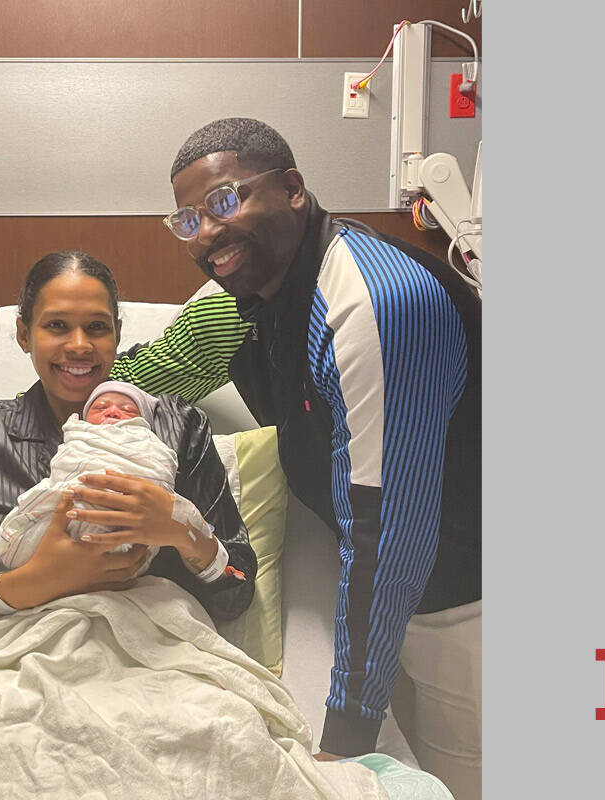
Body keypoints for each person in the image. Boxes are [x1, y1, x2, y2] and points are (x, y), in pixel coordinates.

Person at [103, 119, 482, 799]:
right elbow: (159, 369)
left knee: (463, 773)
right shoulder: (255, 299)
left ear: (293, 189)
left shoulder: (374, 303)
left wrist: (345, 736)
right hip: (403, 595)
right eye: (187, 220)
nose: (207, 233)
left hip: (465, 600)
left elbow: (389, 534)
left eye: (224, 202)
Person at [0, 251, 256, 637]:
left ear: (116, 332)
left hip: (149, 658)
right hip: (12, 662)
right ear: (23, 334)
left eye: (97, 327)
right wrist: (34, 581)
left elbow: (236, 588)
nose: (80, 345)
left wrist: (183, 532)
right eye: (57, 325)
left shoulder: (178, 427)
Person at [0, 380, 220, 581]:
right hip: (65, 513)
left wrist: (184, 526)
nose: (112, 412)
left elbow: (159, 467)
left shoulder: (159, 439)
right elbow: (66, 464)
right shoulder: (78, 435)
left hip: (133, 543)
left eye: (128, 410)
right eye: (100, 407)